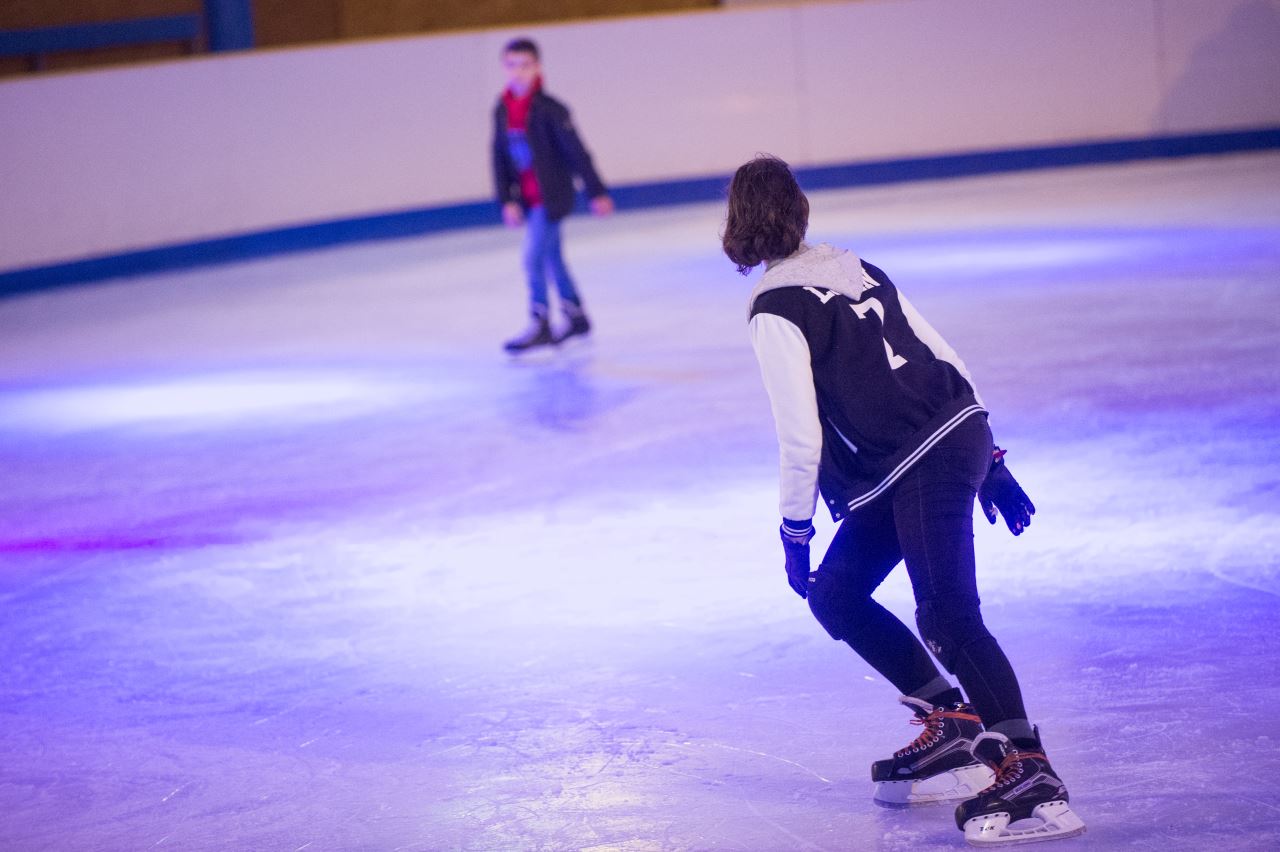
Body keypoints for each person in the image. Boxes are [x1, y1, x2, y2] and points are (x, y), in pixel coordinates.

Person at [723, 155, 1086, 846]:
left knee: (947, 614)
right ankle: (952, 720)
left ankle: (1029, 765)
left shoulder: (774, 306)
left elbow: (800, 436)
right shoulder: (856, 266)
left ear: (736, 225)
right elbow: (943, 352)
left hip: (918, 462)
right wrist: (993, 458)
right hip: (944, 443)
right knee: (837, 594)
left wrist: (794, 531)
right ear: (801, 210)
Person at [492, 37, 613, 354]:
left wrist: (596, 191)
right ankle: (576, 315)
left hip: (553, 197)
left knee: (532, 258)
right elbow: (499, 157)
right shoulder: (502, 110)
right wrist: (506, 199)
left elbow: (577, 153)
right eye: (511, 65)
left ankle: (540, 321)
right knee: (552, 257)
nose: (518, 72)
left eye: (525, 65)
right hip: (529, 200)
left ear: (537, 67)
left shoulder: (551, 110)